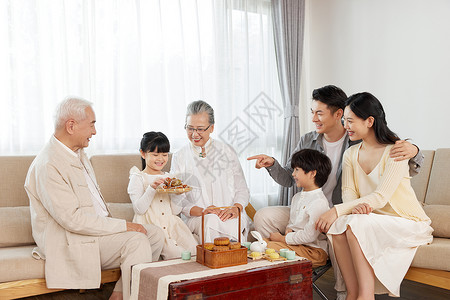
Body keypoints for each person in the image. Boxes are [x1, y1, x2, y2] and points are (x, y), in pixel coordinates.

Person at [247, 85, 423, 298]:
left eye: (319, 113)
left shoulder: (365, 142)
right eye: (312, 112)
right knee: (264, 215)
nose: (313, 118)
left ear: (338, 114)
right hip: (321, 207)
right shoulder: (314, 142)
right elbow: (289, 178)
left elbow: (393, 172)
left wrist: (415, 149)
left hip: (341, 210)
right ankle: (280, 276)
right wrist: (272, 164)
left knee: (343, 224)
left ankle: (345, 292)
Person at [24, 98, 164, 300]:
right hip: (72, 239)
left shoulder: (77, 153)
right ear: (71, 126)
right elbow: (73, 220)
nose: (95, 132)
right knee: (136, 240)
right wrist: (124, 226)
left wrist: (119, 226)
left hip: (96, 233)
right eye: (92, 124)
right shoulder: (48, 164)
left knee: (155, 234)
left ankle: (120, 293)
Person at [315, 92, 433, 299]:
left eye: (350, 121)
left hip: (406, 221)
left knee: (354, 225)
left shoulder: (396, 150)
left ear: (370, 121)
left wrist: (337, 210)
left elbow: (381, 197)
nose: (346, 126)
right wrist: (354, 210)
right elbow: (349, 194)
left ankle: (365, 295)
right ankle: (352, 294)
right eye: (344, 121)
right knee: (339, 226)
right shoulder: (351, 153)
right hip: (372, 218)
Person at [170, 100, 250, 243]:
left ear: (211, 128)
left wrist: (236, 208)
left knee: (232, 224)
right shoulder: (180, 156)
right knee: (211, 221)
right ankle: (215, 261)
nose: (194, 134)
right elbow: (177, 198)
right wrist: (202, 211)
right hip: (198, 217)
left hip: (230, 213)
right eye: (190, 128)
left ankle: (236, 262)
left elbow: (242, 189)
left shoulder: (227, 151)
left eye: (200, 129)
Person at [127, 132, 198, 259]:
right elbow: (139, 209)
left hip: (172, 224)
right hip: (152, 225)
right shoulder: (138, 177)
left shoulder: (169, 177)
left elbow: (175, 211)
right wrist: (152, 188)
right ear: (143, 153)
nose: (160, 159)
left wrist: (178, 194)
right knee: (175, 254)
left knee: (194, 249)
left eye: (164, 155)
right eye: (155, 155)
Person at [266, 149, 331, 268]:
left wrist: (283, 239)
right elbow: (292, 222)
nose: (293, 174)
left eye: (297, 170)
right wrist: (288, 230)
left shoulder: (319, 202)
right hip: (298, 245)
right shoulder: (296, 197)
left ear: (312, 173)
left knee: (267, 247)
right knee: (262, 243)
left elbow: (310, 236)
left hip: (314, 251)